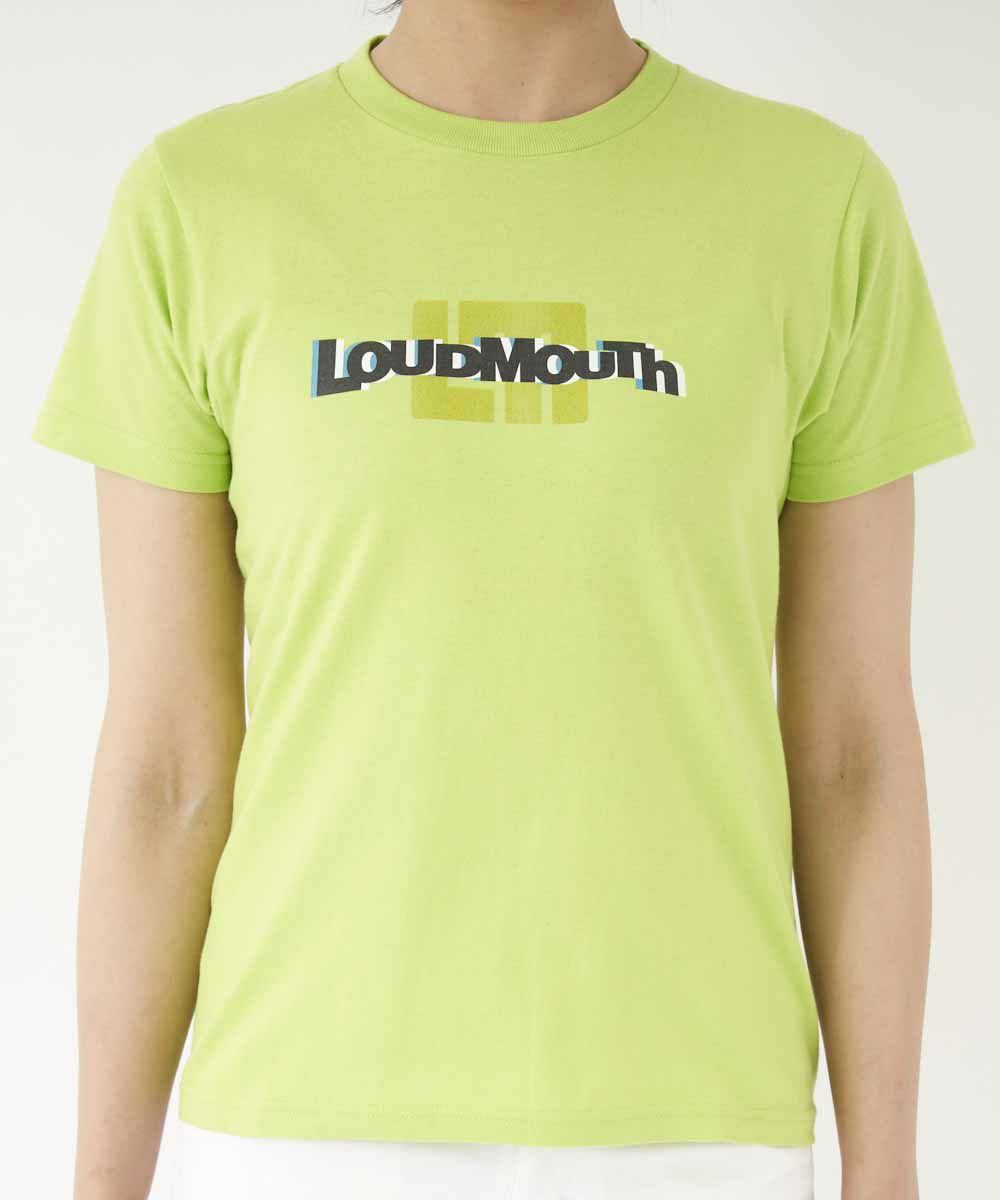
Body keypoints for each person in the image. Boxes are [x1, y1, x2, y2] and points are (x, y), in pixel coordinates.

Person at [33, 1, 975, 1198]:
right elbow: (167, 765)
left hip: (696, 1130)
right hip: (299, 1127)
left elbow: (852, 756)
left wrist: (884, 1174)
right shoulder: (201, 201)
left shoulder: (816, 202)